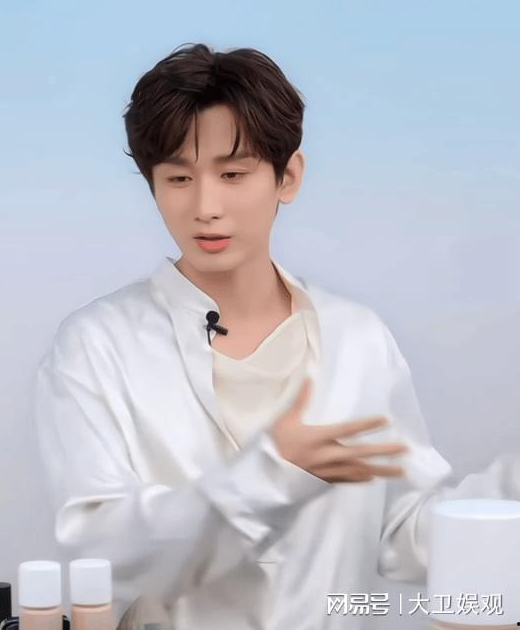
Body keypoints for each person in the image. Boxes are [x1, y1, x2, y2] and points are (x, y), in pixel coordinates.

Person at [32, 43, 520, 630]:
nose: (206, 207)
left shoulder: (356, 340)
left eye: (233, 174)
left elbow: (406, 534)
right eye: (179, 178)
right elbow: (102, 549)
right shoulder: (96, 346)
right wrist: (270, 475)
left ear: (288, 177)